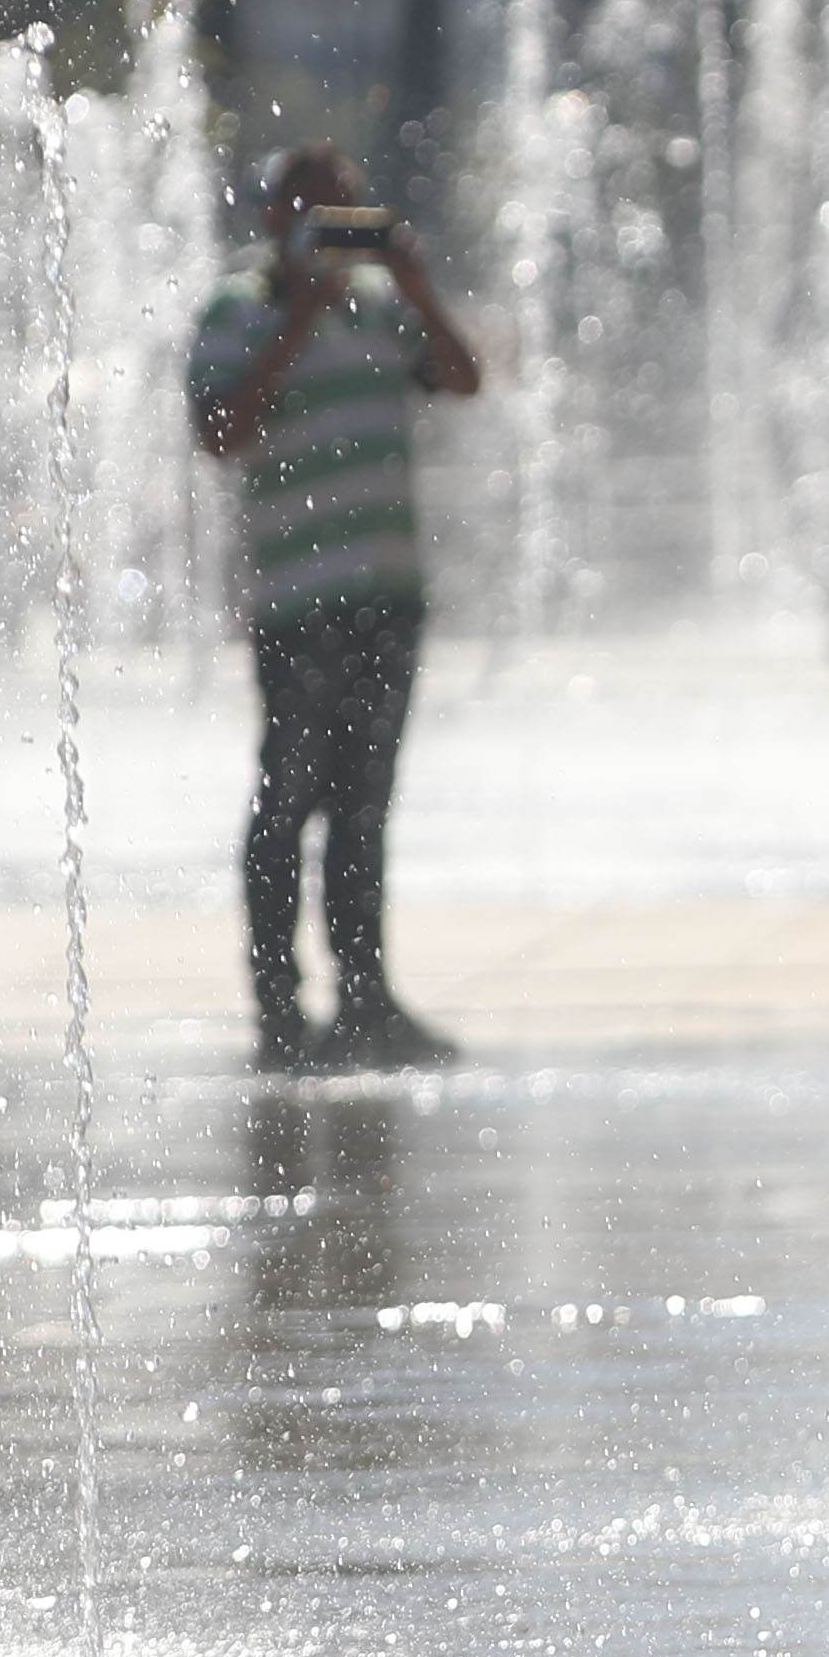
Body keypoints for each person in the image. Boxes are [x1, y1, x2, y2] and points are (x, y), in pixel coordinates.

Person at [187, 145, 482, 1073]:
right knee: (288, 801)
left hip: (388, 598)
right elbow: (218, 432)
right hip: (298, 604)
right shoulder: (238, 310)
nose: (334, 232)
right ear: (275, 220)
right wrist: (298, 320)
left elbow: (463, 377)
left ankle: (366, 1000)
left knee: (364, 805)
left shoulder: (382, 307)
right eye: (316, 213)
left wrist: (418, 286)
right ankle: (279, 1010)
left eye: (350, 212)